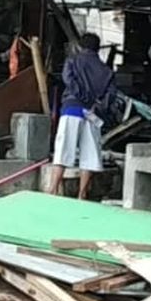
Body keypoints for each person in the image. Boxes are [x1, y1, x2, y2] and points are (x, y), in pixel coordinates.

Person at [46, 33, 116, 200]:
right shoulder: (106, 71)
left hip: (72, 110)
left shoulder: (73, 61)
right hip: (92, 114)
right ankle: (82, 194)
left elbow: (67, 79)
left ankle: (53, 190)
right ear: (97, 48)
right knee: (90, 155)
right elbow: (111, 94)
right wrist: (97, 107)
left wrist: (81, 97)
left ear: (81, 46)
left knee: (63, 151)